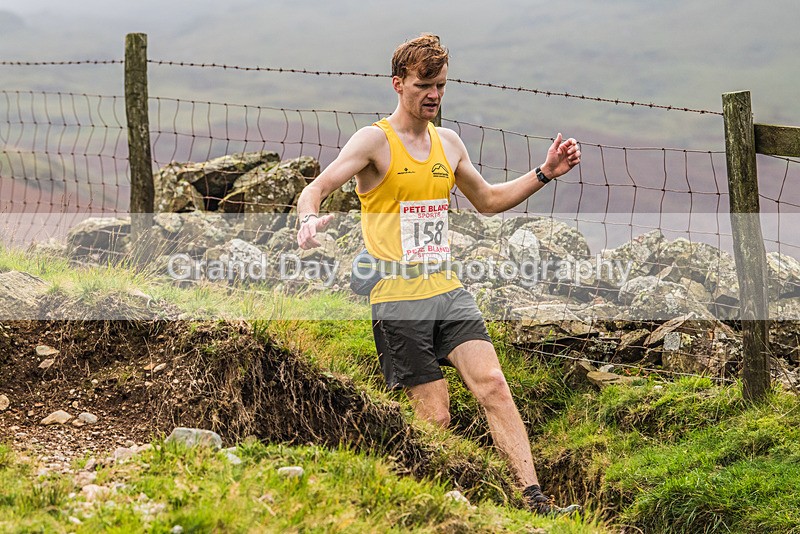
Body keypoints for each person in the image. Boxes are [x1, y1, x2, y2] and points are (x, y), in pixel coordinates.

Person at [296, 33, 581, 516]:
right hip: (397, 298)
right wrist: (307, 219)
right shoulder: (374, 141)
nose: (434, 95)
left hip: (447, 289)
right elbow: (316, 188)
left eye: (441, 86)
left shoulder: (448, 143)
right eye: (423, 85)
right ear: (398, 84)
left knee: (493, 384)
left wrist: (544, 172)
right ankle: (425, 508)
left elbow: (487, 201)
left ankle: (534, 502)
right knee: (436, 417)